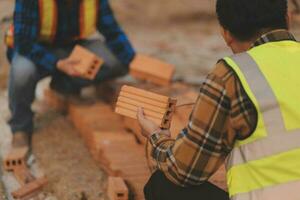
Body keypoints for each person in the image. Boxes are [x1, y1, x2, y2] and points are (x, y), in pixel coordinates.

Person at [137, 0, 300, 200]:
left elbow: (184, 171)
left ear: (226, 34)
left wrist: (156, 136)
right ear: (287, 19)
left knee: (162, 185)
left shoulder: (231, 76)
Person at [6, 0, 135, 149]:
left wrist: (132, 59)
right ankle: (20, 127)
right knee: (22, 72)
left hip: (71, 47)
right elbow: (23, 43)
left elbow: (112, 30)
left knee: (117, 60)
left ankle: (64, 85)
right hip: (36, 49)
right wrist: (57, 63)